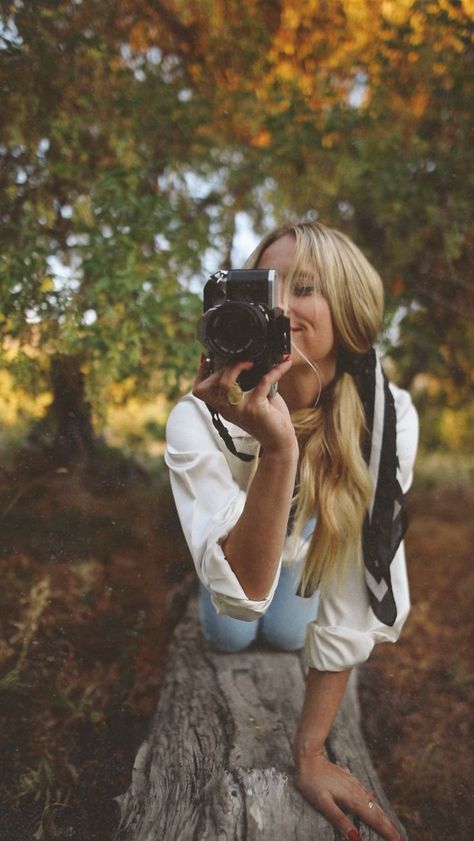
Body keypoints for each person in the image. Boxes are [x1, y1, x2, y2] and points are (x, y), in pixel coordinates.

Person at [165, 221, 418, 841]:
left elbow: (360, 588)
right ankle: (203, 573)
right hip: (245, 565)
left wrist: (310, 754)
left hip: (306, 559)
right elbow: (243, 588)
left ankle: (284, 575)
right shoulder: (196, 417)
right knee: (231, 628)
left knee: (284, 633)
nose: (279, 305)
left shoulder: (389, 418)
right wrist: (278, 451)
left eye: (303, 287)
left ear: (348, 307)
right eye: (263, 287)